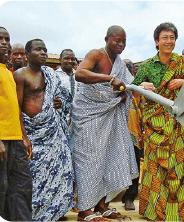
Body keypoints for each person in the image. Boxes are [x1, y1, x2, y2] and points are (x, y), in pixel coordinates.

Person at [70, 25, 139, 221]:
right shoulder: (96, 55)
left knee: (106, 160)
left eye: (124, 41)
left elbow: (130, 84)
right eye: (117, 40)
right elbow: (80, 74)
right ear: (106, 39)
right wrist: (110, 79)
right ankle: (85, 210)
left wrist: (126, 91)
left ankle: (101, 206)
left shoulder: (119, 62)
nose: (121, 45)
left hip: (109, 116)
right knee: (89, 162)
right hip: (89, 116)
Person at [131, 22, 184, 221]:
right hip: (154, 125)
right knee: (155, 169)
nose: (168, 41)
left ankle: (180, 213)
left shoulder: (183, 62)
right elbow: (133, 87)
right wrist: (143, 84)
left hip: (177, 122)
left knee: (178, 168)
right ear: (156, 42)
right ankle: (156, 212)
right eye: (164, 38)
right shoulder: (148, 65)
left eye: (172, 38)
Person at [13, 38, 75, 221]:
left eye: (45, 50)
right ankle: (34, 213)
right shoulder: (20, 75)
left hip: (52, 132)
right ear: (27, 54)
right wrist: (24, 136)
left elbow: (63, 97)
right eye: (38, 49)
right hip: (33, 132)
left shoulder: (49, 74)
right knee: (35, 176)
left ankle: (54, 211)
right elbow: (16, 107)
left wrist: (58, 102)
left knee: (61, 171)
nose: (43, 53)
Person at [0, 26, 32, 221]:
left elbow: (14, 108)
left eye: (6, 39)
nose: (4, 42)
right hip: (1, 141)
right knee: (0, 189)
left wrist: (23, 137)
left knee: (22, 186)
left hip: (15, 139)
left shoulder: (8, 72)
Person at [121, 58, 142, 211]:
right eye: (125, 67)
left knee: (134, 165)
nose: (127, 69)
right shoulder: (114, 86)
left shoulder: (138, 87)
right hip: (115, 133)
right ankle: (106, 200)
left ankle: (130, 197)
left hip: (134, 134)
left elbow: (143, 108)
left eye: (130, 67)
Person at [55, 49, 77, 125]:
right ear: (60, 60)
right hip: (60, 117)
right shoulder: (54, 76)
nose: (70, 61)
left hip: (77, 117)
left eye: (72, 59)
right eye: (66, 58)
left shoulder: (79, 76)